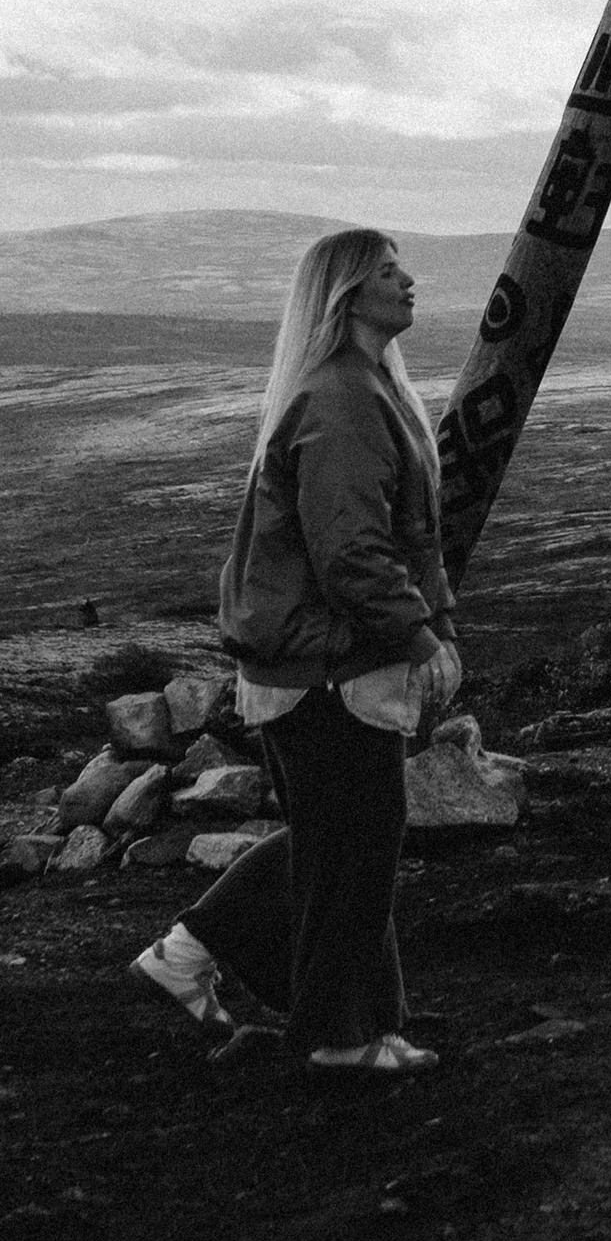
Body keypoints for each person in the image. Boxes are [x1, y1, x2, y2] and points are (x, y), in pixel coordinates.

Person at [131, 227, 461, 1073]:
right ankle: (339, 1037)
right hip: (325, 670)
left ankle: (332, 1019)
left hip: (330, 665)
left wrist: (438, 627)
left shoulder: (363, 387)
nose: (411, 282)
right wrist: (420, 635)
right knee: (350, 849)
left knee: (342, 843)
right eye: (391, 272)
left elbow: (409, 540)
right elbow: (350, 548)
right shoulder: (344, 398)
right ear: (349, 296)